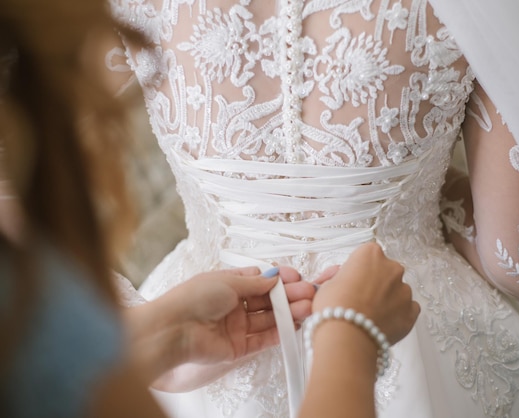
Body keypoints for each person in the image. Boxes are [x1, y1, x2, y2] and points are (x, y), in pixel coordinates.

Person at [106, 0, 519, 416]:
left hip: (196, 332)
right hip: (411, 319)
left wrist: (134, 330)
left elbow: (22, 177)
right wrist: (408, 189)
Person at [0, 1, 420, 417]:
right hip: (408, 320)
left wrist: (152, 333)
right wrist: (350, 334)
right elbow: (492, 256)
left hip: (197, 340)